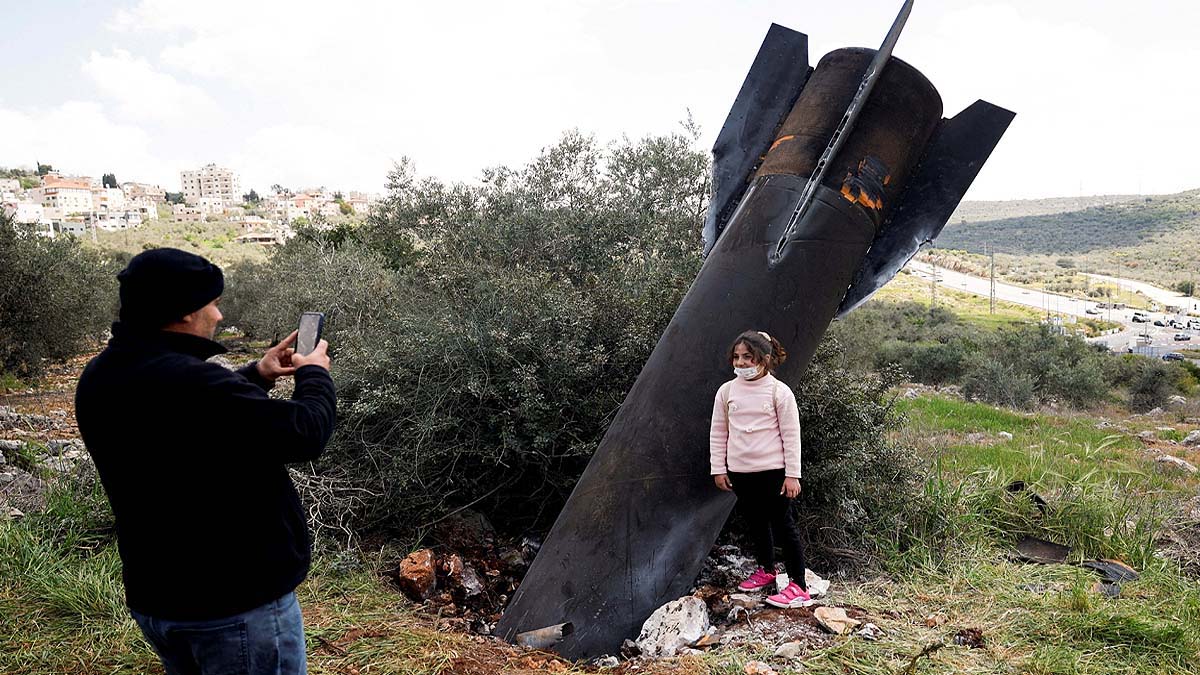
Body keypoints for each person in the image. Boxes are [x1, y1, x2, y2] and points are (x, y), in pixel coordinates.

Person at [75, 248, 337, 675]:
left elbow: (180, 417)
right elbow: (305, 433)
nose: (217, 315)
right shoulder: (195, 382)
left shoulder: (102, 374)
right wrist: (315, 373)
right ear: (181, 314)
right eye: (210, 304)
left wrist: (257, 373)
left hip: (162, 599)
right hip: (234, 609)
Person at [709, 330, 810, 609]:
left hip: (774, 473)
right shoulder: (726, 391)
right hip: (740, 472)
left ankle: (799, 585)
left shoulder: (779, 392)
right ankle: (767, 570)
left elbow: (792, 435)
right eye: (737, 357)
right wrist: (719, 468)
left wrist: (793, 475)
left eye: (748, 357)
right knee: (755, 522)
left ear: (764, 359)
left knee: (783, 525)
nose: (741, 363)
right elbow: (718, 432)